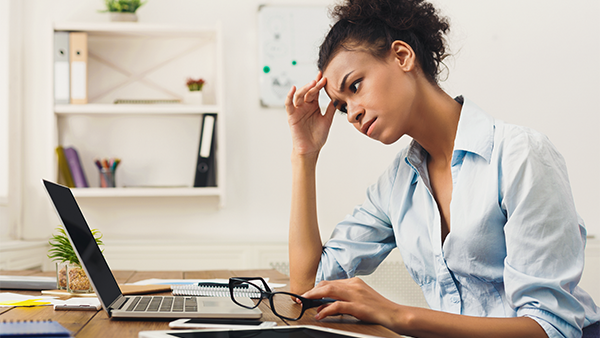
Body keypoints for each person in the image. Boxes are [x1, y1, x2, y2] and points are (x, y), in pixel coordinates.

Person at [284, 0, 600, 337]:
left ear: (402, 56)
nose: (353, 113)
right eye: (342, 107)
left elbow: (551, 328)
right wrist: (305, 154)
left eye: (355, 86)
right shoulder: (398, 183)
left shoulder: (520, 155)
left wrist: (398, 316)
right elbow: (308, 284)